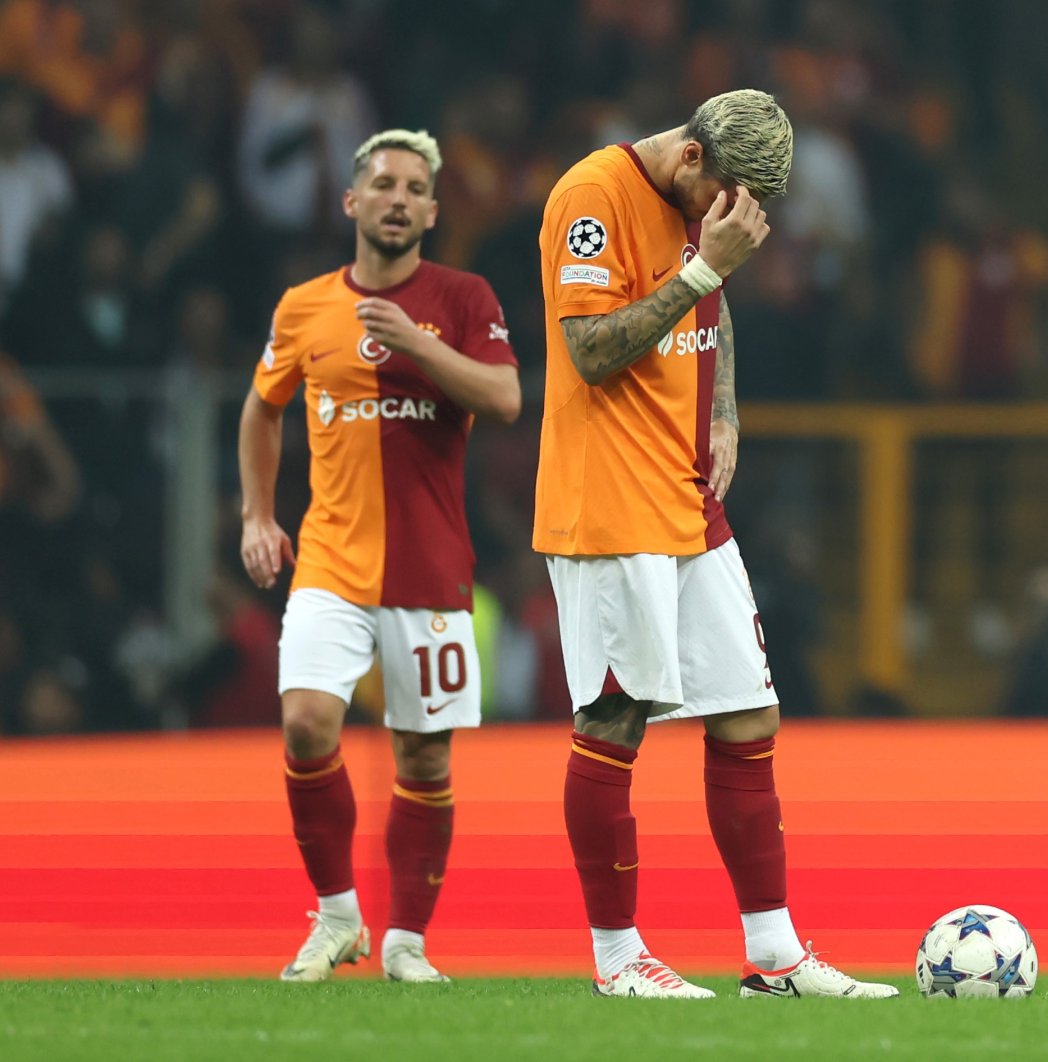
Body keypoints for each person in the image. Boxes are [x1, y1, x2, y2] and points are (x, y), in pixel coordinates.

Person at [535, 88, 894, 999]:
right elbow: (589, 349)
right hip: (611, 499)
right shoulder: (593, 199)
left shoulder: (706, 207)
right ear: (692, 157)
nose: (727, 222)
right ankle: (619, 960)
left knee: (747, 717)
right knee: (616, 719)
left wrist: (724, 408)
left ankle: (774, 956)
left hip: (687, 497)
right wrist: (701, 275)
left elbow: (714, 304)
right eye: (722, 198)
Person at [238, 129, 519, 983]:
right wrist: (258, 516)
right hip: (330, 560)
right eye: (383, 183)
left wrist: (419, 345)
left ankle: (407, 940)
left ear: (433, 211)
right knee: (305, 723)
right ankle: (335, 918)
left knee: (424, 759)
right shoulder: (303, 307)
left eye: (414, 188)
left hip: (430, 571)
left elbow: (505, 398)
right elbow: (261, 409)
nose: (398, 198)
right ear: (352, 202)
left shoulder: (463, 297)